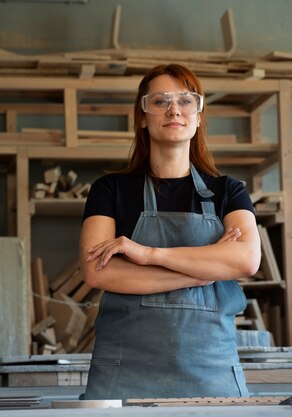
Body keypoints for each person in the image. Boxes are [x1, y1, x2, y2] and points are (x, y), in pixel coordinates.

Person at [79, 63, 261, 400]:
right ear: (143, 115)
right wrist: (201, 274)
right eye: (160, 101)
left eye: (186, 100)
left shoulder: (228, 191)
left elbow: (246, 260)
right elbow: (97, 271)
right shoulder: (110, 190)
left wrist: (148, 255)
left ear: (199, 115)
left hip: (211, 371)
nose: (174, 109)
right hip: (124, 372)